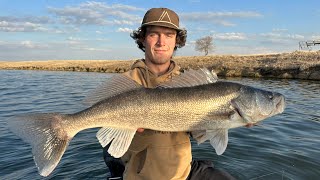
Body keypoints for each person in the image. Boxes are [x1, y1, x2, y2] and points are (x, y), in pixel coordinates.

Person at [103, 7, 236, 180]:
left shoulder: (192, 82)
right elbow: (113, 147)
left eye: (168, 35)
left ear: (177, 41)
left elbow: (200, 133)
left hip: (185, 172)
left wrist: (235, 119)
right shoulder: (125, 84)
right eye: (154, 34)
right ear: (142, 38)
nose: (161, 42)